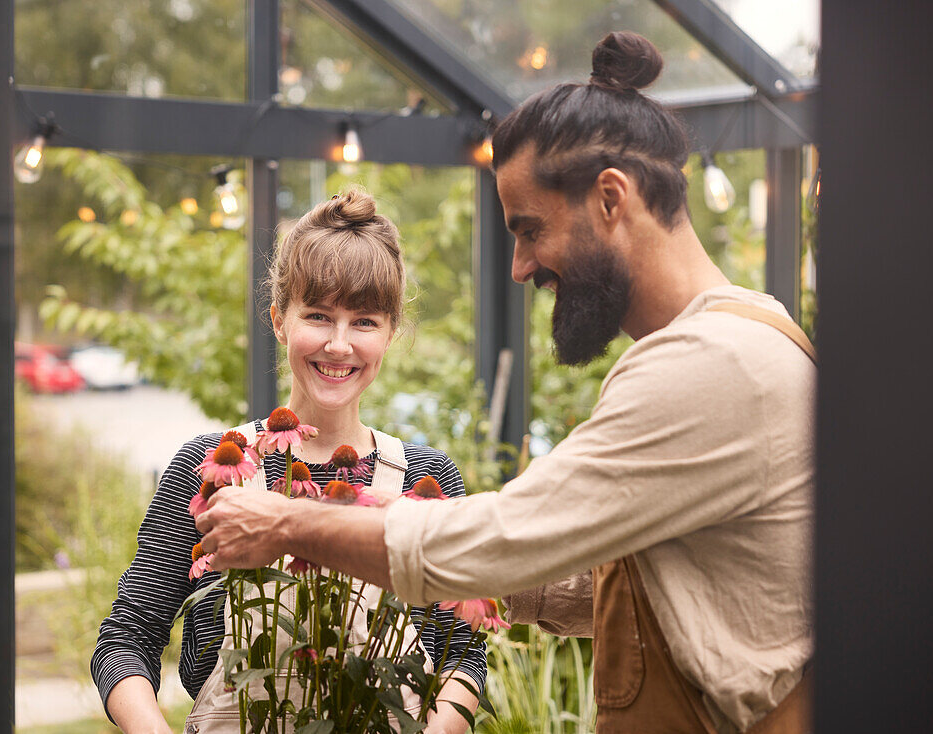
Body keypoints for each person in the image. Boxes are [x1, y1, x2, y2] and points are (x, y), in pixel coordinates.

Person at [193, 32, 816, 734]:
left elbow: (508, 537)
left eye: (529, 229)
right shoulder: (748, 332)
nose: (520, 267)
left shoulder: (709, 364)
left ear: (611, 199)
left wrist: (287, 522)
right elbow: (629, 580)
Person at [91, 190, 485, 734]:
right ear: (279, 321)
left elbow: (463, 654)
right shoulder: (208, 467)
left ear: (391, 333)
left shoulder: (426, 480)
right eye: (319, 316)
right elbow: (126, 639)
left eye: (364, 321)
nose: (340, 345)